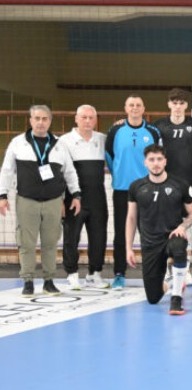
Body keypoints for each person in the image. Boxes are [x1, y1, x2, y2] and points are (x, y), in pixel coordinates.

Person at [0, 105, 81, 297]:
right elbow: (7, 170)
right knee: (26, 243)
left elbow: (70, 172)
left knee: (50, 243)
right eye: (37, 118)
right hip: (26, 200)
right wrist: (2, 195)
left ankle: (49, 281)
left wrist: (76, 194)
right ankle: (28, 281)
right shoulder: (18, 143)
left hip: (53, 201)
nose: (40, 122)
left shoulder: (60, 144)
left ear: (50, 121)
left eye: (45, 119)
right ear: (30, 120)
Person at [126, 145, 192, 315]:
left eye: (159, 159)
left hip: (173, 236)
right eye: (151, 160)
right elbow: (131, 218)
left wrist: (182, 226)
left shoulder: (180, 184)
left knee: (179, 247)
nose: (156, 163)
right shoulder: (136, 186)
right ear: (145, 162)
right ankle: (172, 282)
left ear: (165, 161)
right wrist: (129, 248)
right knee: (153, 298)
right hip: (150, 243)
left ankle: (176, 298)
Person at [106, 94, 160, 290]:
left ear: (144, 108)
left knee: (149, 233)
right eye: (131, 105)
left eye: (138, 105)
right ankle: (119, 274)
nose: (135, 108)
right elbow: (109, 156)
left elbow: (159, 158)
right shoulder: (115, 130)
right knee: (121, 233)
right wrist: (119, 175)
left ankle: (152, 273)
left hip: (147, 189)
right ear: (125, 108)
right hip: (122, 189)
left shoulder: (153, 131)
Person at [152, 88, 192, 287]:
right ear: (169, 104)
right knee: (166, 225)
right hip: (165, 182)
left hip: (187, 181)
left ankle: (184, 268)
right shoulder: (159, 125)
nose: (178, 106)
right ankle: (168, 268)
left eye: (182, 103)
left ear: (186, 105)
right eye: (174, 103)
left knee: (185, 224)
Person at [58, 104, 109, 290]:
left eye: (91, 117)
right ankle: (72, 274)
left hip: (97, 198)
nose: (87, 121)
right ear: (76, 119)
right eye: (84, 117)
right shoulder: (64, 141)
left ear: (96, 120)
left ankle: (94, 273)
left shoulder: (102, 139)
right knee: (71, 237)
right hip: (73, 198)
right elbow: (58, 172)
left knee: (99, 237)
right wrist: (60, 199)